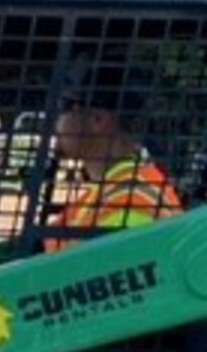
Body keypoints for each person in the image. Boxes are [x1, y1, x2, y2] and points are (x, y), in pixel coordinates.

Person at [48, 78, 183, 252]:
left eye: (65, 107)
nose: (56, 122)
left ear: (97, 120)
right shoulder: (112, 189)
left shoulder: (129, 202)